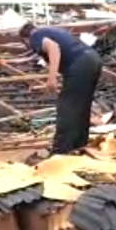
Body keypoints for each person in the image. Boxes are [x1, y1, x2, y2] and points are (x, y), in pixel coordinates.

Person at [18, 22, 102, 154]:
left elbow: (53, 48)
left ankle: (61, 150)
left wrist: (52, 79)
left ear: (25, 39)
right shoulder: (50, 31)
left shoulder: (35, 36)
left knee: (67, 108)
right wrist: (47, 84)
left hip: (81, 63)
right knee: (81, 106)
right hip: (92, 59)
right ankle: (78, 145)